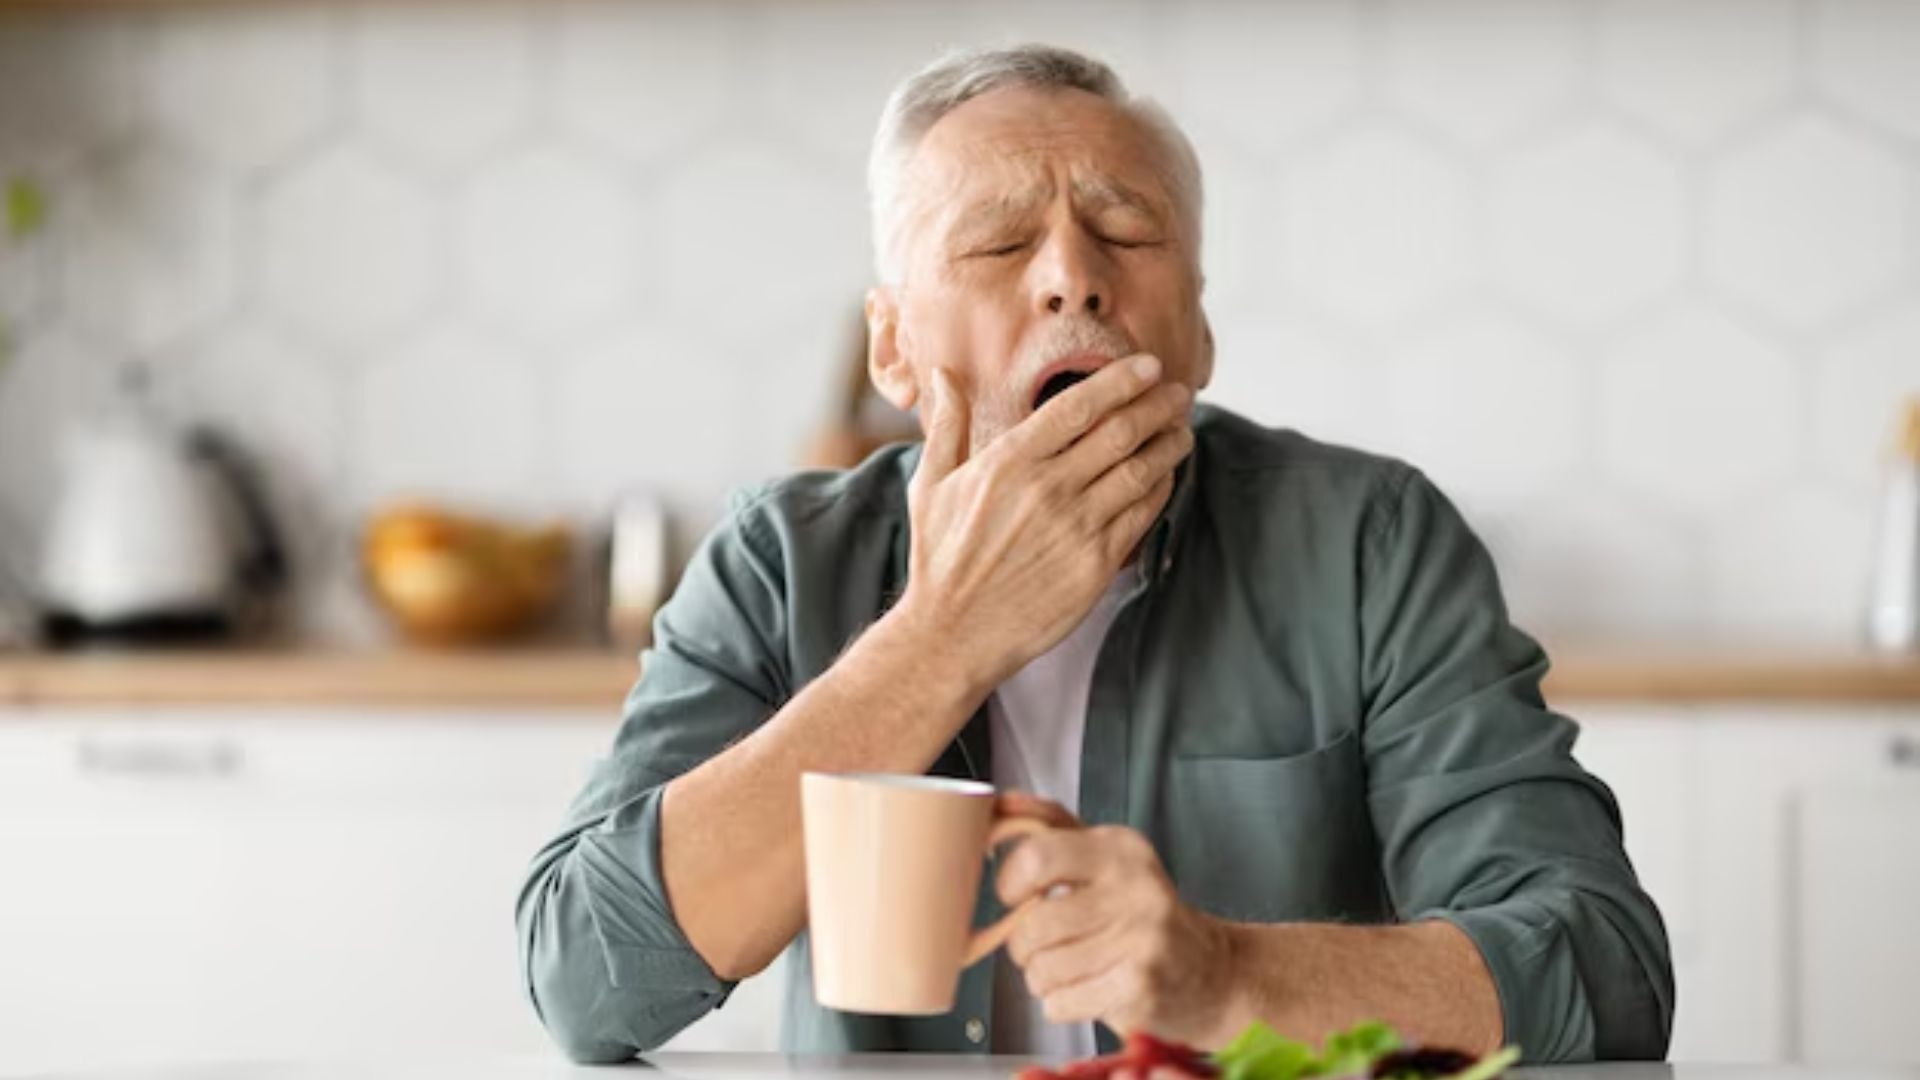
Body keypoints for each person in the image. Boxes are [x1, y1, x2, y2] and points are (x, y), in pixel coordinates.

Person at [515, 44, 1673, 1066]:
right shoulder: (777, 560)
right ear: (892, 348)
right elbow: (586, 978)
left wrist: (1230, 980)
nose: (1073, 274)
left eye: (1125, 230)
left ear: (1200, 330)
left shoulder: (1375, 544)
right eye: (1000, 242)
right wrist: (943, 637)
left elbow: (1605, 970)